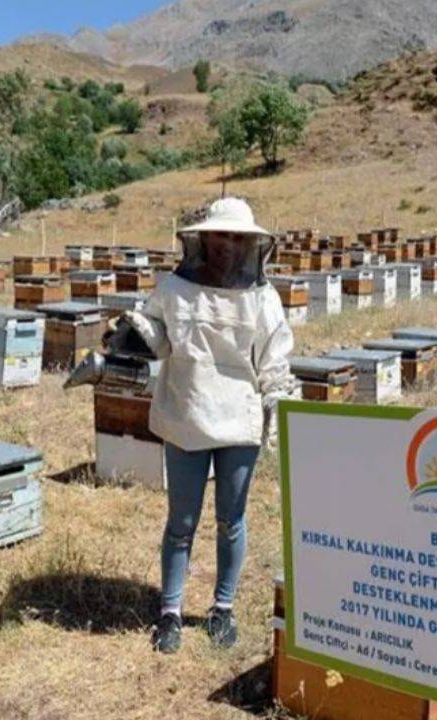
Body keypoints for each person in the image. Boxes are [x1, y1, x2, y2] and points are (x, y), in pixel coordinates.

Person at [121, 197, 296, 654]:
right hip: (187, 415)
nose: (227, 244)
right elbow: (158, 339)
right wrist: (137, 333)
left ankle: (223, 608)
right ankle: (170, 613)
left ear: (250, 244)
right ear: (204, 237)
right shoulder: (175, 289)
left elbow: (274, 362)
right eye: (221, 234)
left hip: (239, 422)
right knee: (181, 522)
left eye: (237, 236)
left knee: (231, 520)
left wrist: (278, 403)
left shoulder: (262, 298)